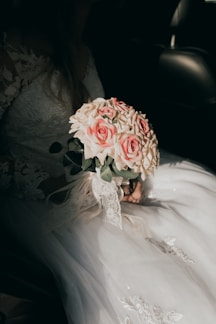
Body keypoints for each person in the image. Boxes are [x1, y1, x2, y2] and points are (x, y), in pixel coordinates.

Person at [1, 1, 216, 323]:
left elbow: (96, 123)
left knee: (202, 204)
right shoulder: (11, 52)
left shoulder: (82, 50)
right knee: (133, 255)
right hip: (38, 192)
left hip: (96, 176)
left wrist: (125, 167)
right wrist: (40, 182)